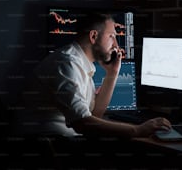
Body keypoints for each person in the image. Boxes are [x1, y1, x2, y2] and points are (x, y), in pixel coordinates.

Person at [19, 12, 171, 138]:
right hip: (46, 149)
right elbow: (82, 123)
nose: (116, 45)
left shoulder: (82, 64)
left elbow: (95, 114)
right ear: (93, 37)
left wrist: (112, 73)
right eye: (112, 36)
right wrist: (137, 130)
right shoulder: (67, 64)